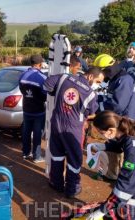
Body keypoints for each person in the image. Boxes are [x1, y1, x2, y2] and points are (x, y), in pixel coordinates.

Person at [44, 56, 104, 198]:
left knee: (57, 155)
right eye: (97, 81)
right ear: (90, 76)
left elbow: (46, 85)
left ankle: (56, 183)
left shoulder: (63, 78)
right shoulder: (90, 94)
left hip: (56, 124)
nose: (97, 85)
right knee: (75, 160)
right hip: (73, 130)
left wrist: (57, 94)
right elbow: (91, 113)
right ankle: (72, 189)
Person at [19, 55, 47, 163]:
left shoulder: (23, 75)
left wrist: (29, 97)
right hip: (38, 111)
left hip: (26, 109)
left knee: (26, 131)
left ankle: (26, 153)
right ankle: (37, 156)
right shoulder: (42, 77)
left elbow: (22, 90)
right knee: (37, 133)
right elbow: (45, 95)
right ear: (40, 64)